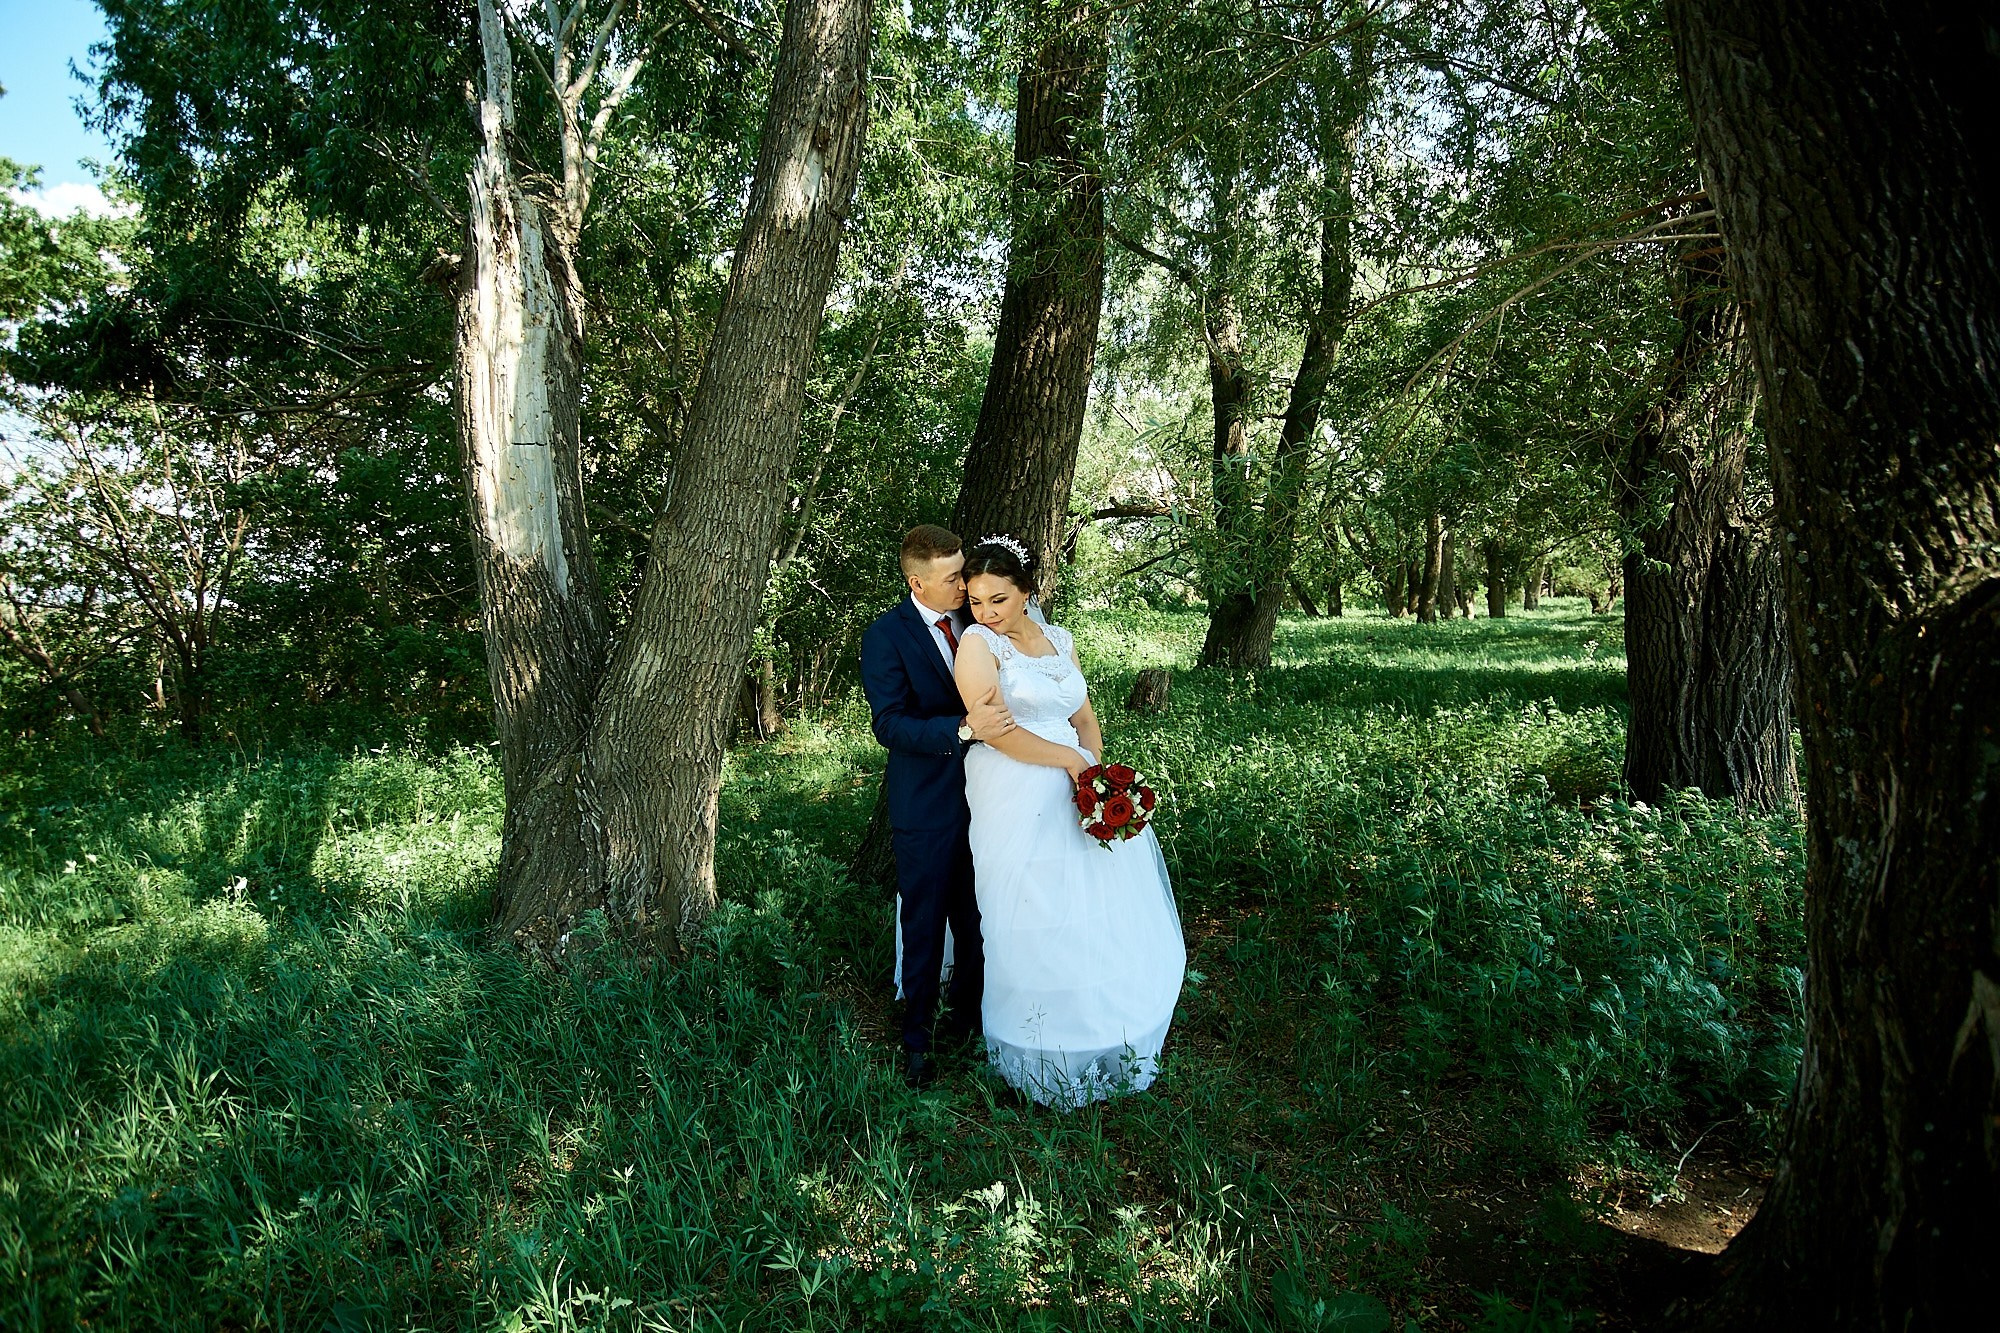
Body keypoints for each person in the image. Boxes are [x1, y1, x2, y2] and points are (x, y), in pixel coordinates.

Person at [952, 535, 1186, 1107]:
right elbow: (996, 731)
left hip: (1077, 780)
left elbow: (1082, 715)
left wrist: (1100, 781)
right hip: (1015, 782)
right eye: (976, 601)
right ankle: (1040, 1047)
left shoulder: (1059, 639)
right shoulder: (978, 645)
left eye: (999, 599)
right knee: (1036, 906)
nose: (986, 613)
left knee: (1091, 906)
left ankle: (1104, 1030)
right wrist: (1072, 764)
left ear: (1029, 592)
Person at [859, 525, 1015, 1088]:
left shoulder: (979, 621)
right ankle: (917, 1038)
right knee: (924, 920)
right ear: (917, 582)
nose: (963, 585)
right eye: (952, 578)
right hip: (925, 802)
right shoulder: (886, 637)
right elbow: (889, 724)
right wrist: (963, 727)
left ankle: (973, 1022)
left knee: (979, 917)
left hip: (993, 798)